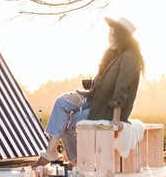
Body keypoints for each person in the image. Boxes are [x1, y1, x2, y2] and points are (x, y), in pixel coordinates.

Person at [38, 16, 144, 164]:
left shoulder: (129, 58)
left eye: (113, 35)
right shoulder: (111, 54)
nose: (109, 38)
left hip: (108, 109)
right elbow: (99, 84)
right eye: (109, 34)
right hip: (95, 100)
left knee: (69, 122)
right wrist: (82, 96)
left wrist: (116, 119)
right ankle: (52, 151)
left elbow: (121, 90)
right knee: (61, 102)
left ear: (122, 37)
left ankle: (76, 161)